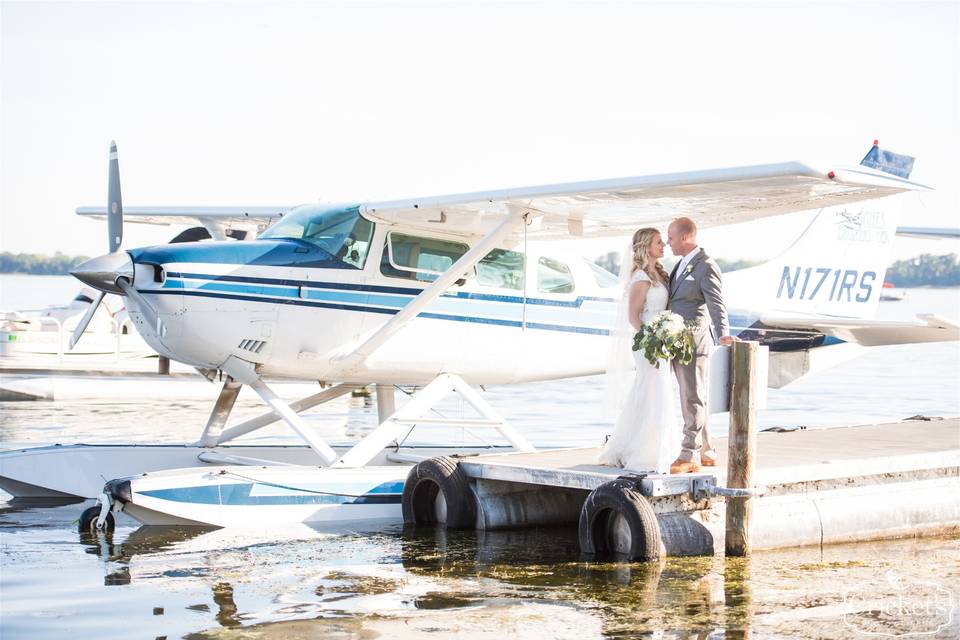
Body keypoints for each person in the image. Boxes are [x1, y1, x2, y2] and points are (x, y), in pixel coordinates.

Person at [597, 227, 681, 474]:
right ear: (646, 246)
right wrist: (653, 340)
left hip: (661, 340)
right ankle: (645, 451)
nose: (663, 245)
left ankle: (657, 445)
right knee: (652, 389)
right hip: (647, 344)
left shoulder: (659, 274)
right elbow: (634, 317)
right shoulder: (641, 277)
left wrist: (667, 334)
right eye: (658, 242)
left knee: (657, 390)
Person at [665, 216, 733, 474]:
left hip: (694, 340)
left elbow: (716, 302)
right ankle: (707, 450)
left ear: (685, 237)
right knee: (695, 394)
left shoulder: (705, 265)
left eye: (670, 237)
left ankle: (688, 453)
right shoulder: (680, 264)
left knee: (692, 396)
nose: (668, 242)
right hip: (677, 339)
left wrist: (722, 332)